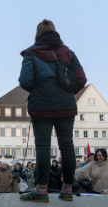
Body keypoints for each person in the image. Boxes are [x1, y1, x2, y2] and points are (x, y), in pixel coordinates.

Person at [18, 19, 87, 202]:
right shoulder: (68, 53)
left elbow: (25, 81)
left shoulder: (31, 54)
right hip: (66, 106)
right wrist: (66, 92)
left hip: (41, 106)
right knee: (67, 146)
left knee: (43, 147)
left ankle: (41, 191)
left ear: (37, 34)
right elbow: (81, 79)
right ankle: (68, 190)